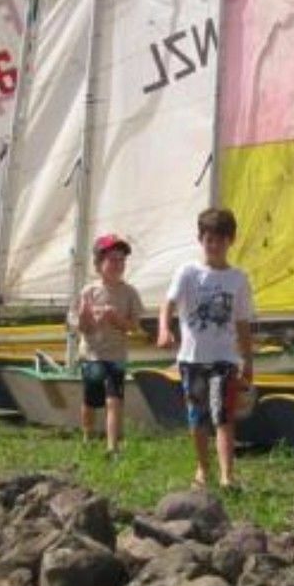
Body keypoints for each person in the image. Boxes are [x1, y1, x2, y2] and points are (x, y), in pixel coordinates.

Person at [157, 208, 255, 491]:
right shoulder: (188, 272)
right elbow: (168, 304)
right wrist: (165, 328)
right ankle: (203, 467)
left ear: (231, 241)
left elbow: (242, 323)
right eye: (209, 239)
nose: (214, 246)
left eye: (220, 240)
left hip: (224, 359)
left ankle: (227, 475)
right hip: (192, 359)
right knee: (197, 417)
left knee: (222, 415)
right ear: (201, 239)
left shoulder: (238, 279)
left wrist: (247, 361)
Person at [71, 233, 144, 454]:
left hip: (116, 356)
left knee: (114, 400)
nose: (118, 264)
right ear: (98, 264)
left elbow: (133, 326)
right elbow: (82, 327)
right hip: (92, 355)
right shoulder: (89, 291)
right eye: (112, 259)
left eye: (121, 260)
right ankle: (88, 435)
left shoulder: (130, 293)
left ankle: (112, 446)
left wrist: (117, 320)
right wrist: (88, 318)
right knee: (91, 400)